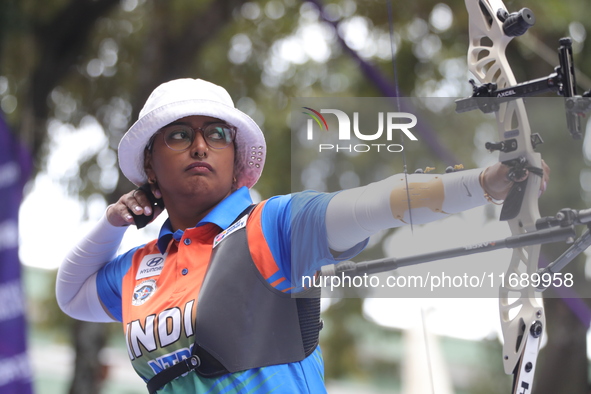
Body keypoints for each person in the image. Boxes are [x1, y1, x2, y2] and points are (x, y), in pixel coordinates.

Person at [56, 78, 549, 393]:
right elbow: (72, 293)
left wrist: (485, 183)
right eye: (180, 134)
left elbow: (376, 203)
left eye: (217, 133)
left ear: (235, 165)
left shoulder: (271, 225)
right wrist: (113, 221)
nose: (201, 145)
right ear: (150, 164)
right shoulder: (143, 265)